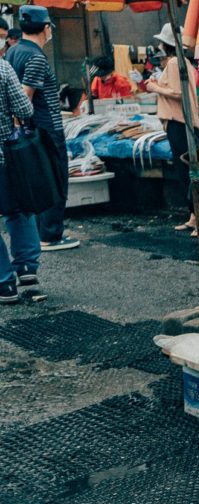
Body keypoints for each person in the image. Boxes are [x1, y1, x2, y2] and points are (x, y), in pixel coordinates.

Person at [7, 6, 74, 252]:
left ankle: (41, 233)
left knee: (37, 180)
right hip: (44, 129)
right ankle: (50, 235)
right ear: (45, 28)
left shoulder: (13, 52)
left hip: (30, 131)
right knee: (55, 179)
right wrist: (23, 124)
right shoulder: (35, 57)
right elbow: (25, 97)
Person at [146, 23, 199, 236]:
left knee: (188, 172)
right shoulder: (180, 62)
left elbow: (178, 93)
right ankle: (194, 217)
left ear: (166, 43)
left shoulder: (174, 63)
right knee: (185, 171)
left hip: (180, 123)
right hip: (180, 123)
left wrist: (154, 87)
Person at [0, 56, 38, 304]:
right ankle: (26, 269)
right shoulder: (2, 67)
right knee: (18, 210)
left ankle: (5, 284)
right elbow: (25, 109)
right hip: (7, 157)